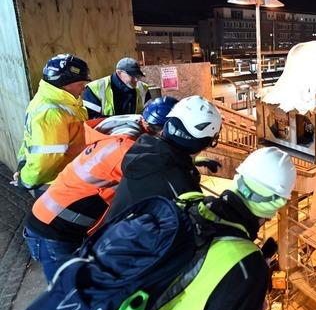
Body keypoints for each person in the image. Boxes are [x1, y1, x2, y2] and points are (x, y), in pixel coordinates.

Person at [22, 97, 178, 282]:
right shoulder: (126, 149)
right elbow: (158, 180)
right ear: (159, 129)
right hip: (54, 232)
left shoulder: (123, 132)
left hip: (59, 224)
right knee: (69, 297)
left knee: (82, 290)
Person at [144, 147, 297, 310]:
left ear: (238, 177)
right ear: (278, 203)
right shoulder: (247, 268)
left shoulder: (187, 201)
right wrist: (250, 287)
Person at [106, 96, 222, 221]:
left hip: (110, 235)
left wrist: (192, 163)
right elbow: (195, 229)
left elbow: (170, 158)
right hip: (139, 239)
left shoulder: (145, 150)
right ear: (205, 144)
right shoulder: (181, 187)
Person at [15, 54, 90, 196]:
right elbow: (45, 160)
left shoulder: (63, 101)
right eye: (81, 84)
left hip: (68, 176)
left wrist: (23, 164)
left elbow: (30, 140)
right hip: (55, 184)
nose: (83, 87)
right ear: (65, 83)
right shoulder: (52, 112)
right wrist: (26, 180)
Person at [82, 57, 150, 119]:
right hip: (105, 131)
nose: (136, 80)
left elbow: (149, 112)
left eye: (138, 76)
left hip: (135, 129)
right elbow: (92, 118)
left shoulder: (143, 88)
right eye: (132, 76)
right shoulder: (94, 88)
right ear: (119, 73)